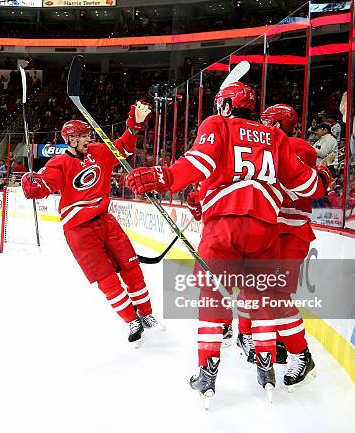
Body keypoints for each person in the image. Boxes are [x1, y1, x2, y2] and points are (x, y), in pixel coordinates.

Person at [125, 83, 331, 403]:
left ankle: (207, 372)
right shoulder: (275, 138)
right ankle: (265, 364)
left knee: (212, 296)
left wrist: (165, 176)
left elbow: (200, 163)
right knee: (263, 295)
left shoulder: (217, 124)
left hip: (224, 227)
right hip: (265, 230)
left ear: (224, 106)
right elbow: (307, 185)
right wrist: (324, 179)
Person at [20, 101, 163, 346]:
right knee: (106, 278)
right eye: (83, 136)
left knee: (131, 268)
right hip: (78, 231)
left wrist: (135, 126)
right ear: (71, 140)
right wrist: (34, 185)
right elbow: (46, 184)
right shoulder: (59, 163)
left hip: (105, 220)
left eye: (88, 134)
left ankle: (146, 313)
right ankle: (131, 319)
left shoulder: (98, 151)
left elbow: (123, 148)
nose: (88, 138)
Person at [258, 103, 318, 389]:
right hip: (275, 231)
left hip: (291, 232)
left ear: (280, 124)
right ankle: (281, 344)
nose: (262, 127)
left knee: (277, 294)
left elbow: (302, 184)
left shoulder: (297, 147)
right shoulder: (269, 147)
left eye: (268, 122)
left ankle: (301, 354)